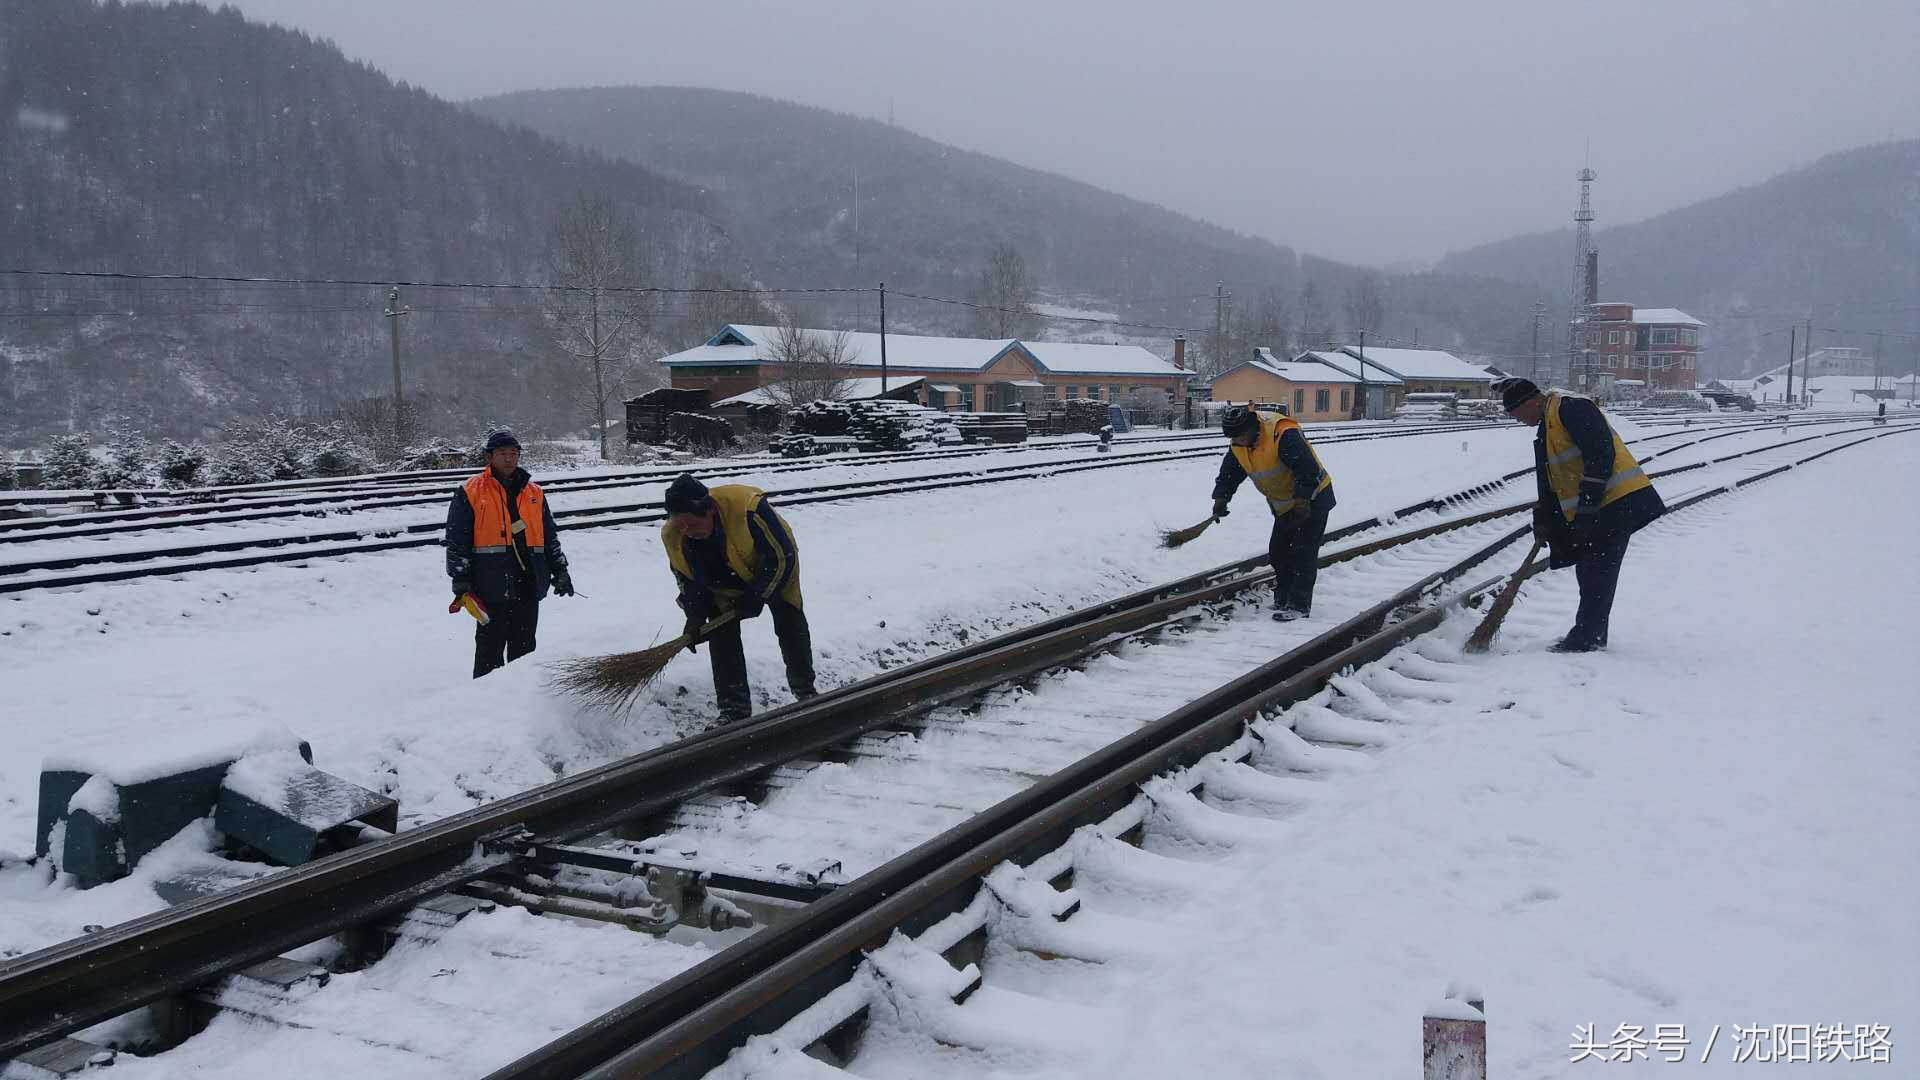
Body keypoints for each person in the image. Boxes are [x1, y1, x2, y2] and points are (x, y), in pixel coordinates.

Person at [1493, 377, 1665, 653]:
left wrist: (1586, 506)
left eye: (1515, 414)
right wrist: (1544, 519)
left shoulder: (1571, 409)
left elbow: (1600, 454)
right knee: (1590, 570)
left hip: (1617, 503)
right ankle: (1589, 634)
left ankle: (1588, 639)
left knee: (1597, 572)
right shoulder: (1547, 426)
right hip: (1601, 506)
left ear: (1531, 402)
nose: (1516, 420)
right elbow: (1551, 480)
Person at [660, 474, 815, 721]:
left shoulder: (748, 508)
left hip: (770, 565)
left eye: (691, 524)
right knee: (720, 633)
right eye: (680, 526)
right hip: (723, 580)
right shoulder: (673, 536)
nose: (687, 532)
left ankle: (805, 691)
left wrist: (758, 594)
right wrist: (695, 617)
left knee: (789, 618)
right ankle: (734, 709)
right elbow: (689, 582)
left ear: (709, 510)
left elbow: (782, 556)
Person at [444, 428, 574, 678]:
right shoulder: (470, 491)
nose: (508, 458)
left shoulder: (534, 492)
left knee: (525, 652)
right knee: (489, 652)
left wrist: (560, 569)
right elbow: (457, 539)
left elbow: (549, 537)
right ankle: (487, 701)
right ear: (489, 457)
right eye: (502, 453)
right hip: (490, 585)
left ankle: (523, 701)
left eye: (513, 453)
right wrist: (460, 578)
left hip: (529, 583)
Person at [1210, 404, 1336, 621]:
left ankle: (1298, 606)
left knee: (1302, 553)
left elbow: (1307, 469)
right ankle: (1283, 598)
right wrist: (1221, 497)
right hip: (1284, 505)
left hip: (1313, 498)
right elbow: (1230, 471)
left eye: (1240, 436)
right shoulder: (1239, 442)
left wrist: (1303, 501)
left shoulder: (1282, 434)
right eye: (1233, 438)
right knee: (1278, 552)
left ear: (1253, 428)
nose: (1236, 441)